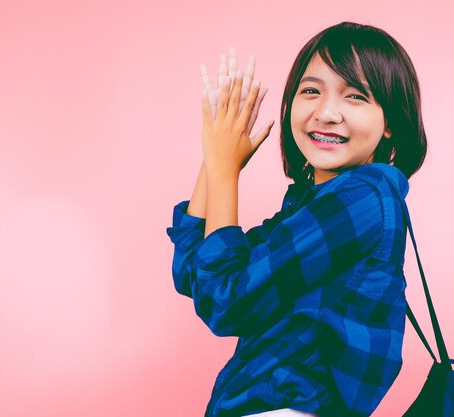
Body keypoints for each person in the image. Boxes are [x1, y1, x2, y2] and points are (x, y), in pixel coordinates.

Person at [166, 21, 427, 417]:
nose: (326, 112)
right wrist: (215, 154)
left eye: (355, 96)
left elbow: (226, 301)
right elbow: (195, 274)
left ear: (390, 122)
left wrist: (223, 169)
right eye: (311, 91)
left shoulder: (363, 199)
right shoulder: (313, 206)